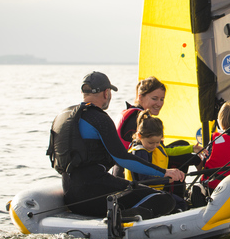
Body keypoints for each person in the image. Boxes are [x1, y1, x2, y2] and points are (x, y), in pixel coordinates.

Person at [46, 71, 185, 219]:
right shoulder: (99, 118)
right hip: (96, 192)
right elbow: (122, 158)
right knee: (165, 200)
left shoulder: (61, 117)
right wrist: (164, 173)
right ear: (106, 93)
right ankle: (119, 219)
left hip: (71, 195)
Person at [113, 76, 202, 185]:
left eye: (162, 99)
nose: (159, 104)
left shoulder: (134, 113)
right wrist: (196, 160)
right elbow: (160, 152)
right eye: (154, 98)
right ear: (140, 98)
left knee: (182, 145)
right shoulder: (138, 120)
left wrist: (192, 149)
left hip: (130, 171)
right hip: (131, 179)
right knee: (181, 155)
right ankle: (175, 196)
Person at [125, 110, 202, 211]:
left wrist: (192, 148)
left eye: (158, 142)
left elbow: (170, 151)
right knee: (180, 204)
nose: (154, 146)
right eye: (151, 143)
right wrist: (166, 178)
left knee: (181, 203)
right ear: (139, 136)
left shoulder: (155, 147)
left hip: (155, 191)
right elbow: (143, 180)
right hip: (142, 194)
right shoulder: (140, 152)